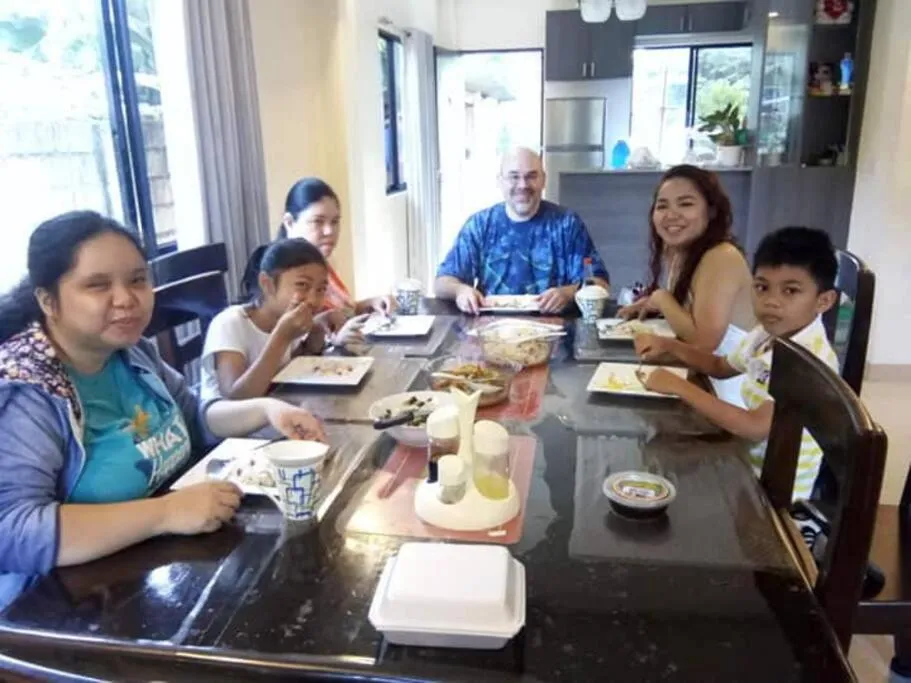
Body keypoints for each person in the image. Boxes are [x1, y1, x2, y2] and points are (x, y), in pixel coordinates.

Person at [0, 212, 327, 576]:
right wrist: (166, 513)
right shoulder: (23, 390)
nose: (126, 299)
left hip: (161, 564)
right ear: (48, 301)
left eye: (137, 280)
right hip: (62, 608)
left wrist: (267, 410)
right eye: (97, 285)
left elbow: (193, 417)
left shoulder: (132, 352)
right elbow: (12, 532)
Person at [633, 227, 839, 500]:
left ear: (824, 301)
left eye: (790, 291)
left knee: (662, 477)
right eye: (762, 287)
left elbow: (754, 426)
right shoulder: (768, 332)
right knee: (655, 457)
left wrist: (679, 387)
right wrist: (671, 347)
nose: (771, 302)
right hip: (745, 459)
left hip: (774, 493)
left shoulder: (806, 359)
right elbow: (721, 367)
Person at [434, 147, 609, 315]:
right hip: (492, 331)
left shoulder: (567, 224)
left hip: (556, 330)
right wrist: (460, 291)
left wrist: (568, 293)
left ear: (543, 180)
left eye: (531, 176)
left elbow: (600, 285)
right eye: (514, 177)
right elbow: (441, 283)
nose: (523, 185)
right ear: (500, 181)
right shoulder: (480, 225)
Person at [201, 239, 366, 401]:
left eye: (321, 289)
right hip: (231, 424)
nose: (313, 300)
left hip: (277, 413)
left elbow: (287, 372)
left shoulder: (290, 320)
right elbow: (235, 397)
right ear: (267, 284)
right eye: (302, 285)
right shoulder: (229, 323)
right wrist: (282, 336)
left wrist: (314, 335)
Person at [619, 165, 756, 350]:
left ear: (711, 211)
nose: (671, 215)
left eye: (685, 204)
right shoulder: (679, 253)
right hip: (701, 371)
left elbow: (703, 343)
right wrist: (653, 304)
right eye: (662, 206)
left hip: (734, 378)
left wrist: (661, 298)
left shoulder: (721, 256)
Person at [276, 178, 395, 333]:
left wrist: (368, 304)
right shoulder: (282, 278)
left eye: (334, 222)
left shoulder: (322, 264)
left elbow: (340, 314)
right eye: (318, 222)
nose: (330, 231)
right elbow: (296, 340)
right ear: (290, 223)